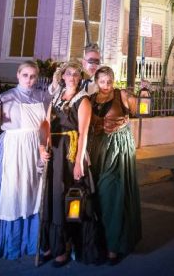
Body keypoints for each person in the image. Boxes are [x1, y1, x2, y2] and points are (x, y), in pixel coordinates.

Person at [0, 61, 52, 260]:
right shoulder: (6, 97)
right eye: (25, 75)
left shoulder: (43, 97)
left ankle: (34, 239)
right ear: (18, 75)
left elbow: (49, 121)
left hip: (36, 148)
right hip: (13, 148)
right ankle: (12, 241)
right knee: (13, 192)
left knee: (34, 191)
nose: (29, 80)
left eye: (33, 76)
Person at [88, 66, 142, 265]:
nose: (106, 85)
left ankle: (114, 246)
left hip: (118, 148)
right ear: (96, 81)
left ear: (114, 80)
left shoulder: (122, 95)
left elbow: (136, 110)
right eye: (102, 82)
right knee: (96, 197)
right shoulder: (91, 99)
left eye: (109, 81)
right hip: (96, 150)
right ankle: (100, 241)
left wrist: (138, 94)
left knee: (112, 193)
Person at [45, 61, 97, 267]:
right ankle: (53, 244)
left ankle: (68, 246)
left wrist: (78, 162)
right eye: (69, 73)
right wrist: (43, 148)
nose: (73, 77)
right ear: (62, 76)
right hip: (55, 151)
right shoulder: (56, 97)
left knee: (70, 198)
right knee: (54, 197)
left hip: (71, 152)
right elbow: (46, 124)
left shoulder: (83, 100)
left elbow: (83, 132)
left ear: (80, 77)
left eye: (76, 74)